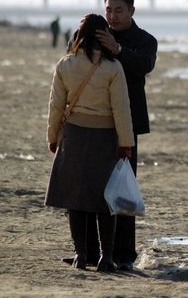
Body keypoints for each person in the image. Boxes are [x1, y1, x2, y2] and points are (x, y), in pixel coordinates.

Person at [45, 14, 135, 272]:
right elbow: (122, 109)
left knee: (76, 199)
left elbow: (55, 107)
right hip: (105, 136)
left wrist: (53, 138)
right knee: (104, 199)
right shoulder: (113, 67)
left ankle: (81, 255)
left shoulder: (65, 64)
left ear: (78, 35)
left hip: (73, 136)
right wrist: (126, 143)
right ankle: (106, 257)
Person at [92, 0, 157, 271]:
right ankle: (90, 252)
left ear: (131, 11)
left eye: (118, 10)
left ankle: (124, 255)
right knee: (92, 189)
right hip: (94, 121)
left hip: (127, 124)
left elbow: (144, 65)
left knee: (123, 189)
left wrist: (117, 49)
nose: (112, 16)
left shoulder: (145, 40)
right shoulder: (94, 34)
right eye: (108, 10)